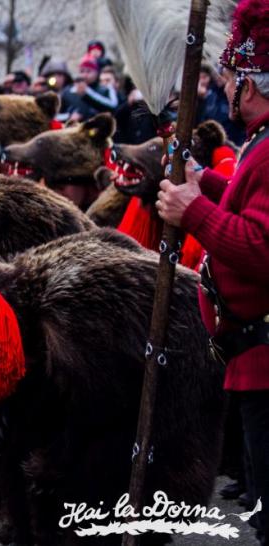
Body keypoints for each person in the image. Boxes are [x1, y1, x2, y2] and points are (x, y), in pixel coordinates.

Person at [155, 1, 268, 542]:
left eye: (231, 79)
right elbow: (250, 205)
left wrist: (191, 211)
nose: (226, 89)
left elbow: (261, 245)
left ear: (249, 86)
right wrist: (204, 183)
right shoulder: (260, 145)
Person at [197, 63, 246, 146]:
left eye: (224, 76)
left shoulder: (235, 95)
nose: (219, 77)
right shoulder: (212, 93)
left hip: (234, 144)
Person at [60, 54, 119, 121]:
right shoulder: (68, 91)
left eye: (88, 71)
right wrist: (70, 116)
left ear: (96, 72)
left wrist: (87, 94)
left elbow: (113, 106)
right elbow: (57, 115)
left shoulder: (105, 89)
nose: (85, 75)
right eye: (82, 71)